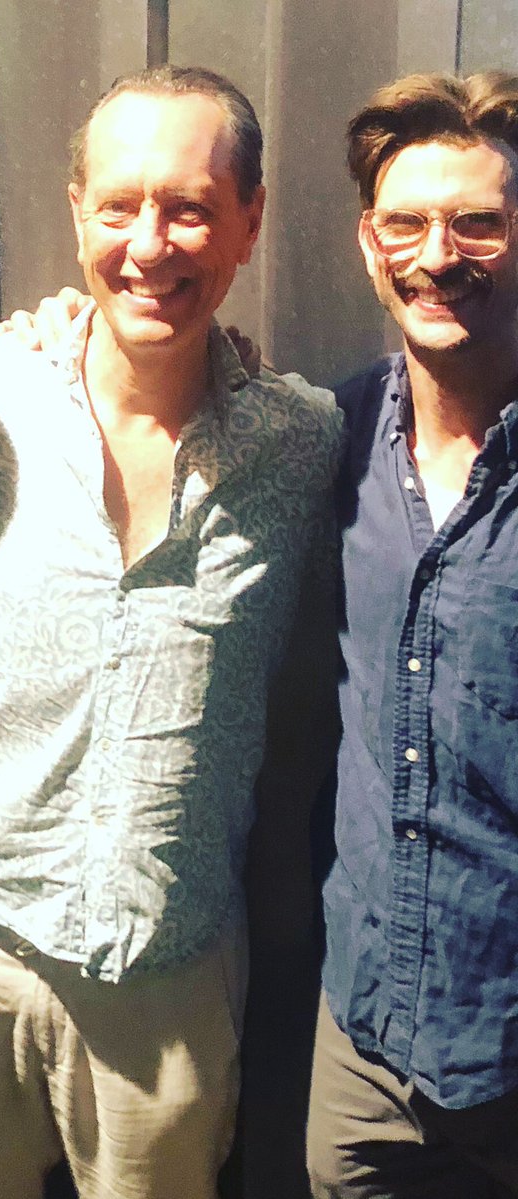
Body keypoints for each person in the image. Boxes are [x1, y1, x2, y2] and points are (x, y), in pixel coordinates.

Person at [0, 64, 342, 1199]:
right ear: (77, 210)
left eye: (188, 207)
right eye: (121, 204)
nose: (151, 243)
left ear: (249, 221)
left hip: (170, 975)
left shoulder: (306, 437)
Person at [306, 70, 518, 1199]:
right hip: (364, 1041)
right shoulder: (328, 435)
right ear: (367, 243)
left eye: (478, 221)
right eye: (407, 222)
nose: (439, 252)